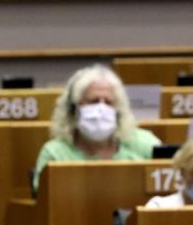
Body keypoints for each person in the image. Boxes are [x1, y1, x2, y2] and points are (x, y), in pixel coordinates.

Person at [32, 64, 161, 192]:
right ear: (74, 108)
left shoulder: (146, 145)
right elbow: (43, 201)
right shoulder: (54, 154)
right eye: (93, 101)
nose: (101, 109)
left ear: (118, 109)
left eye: (108, 102)